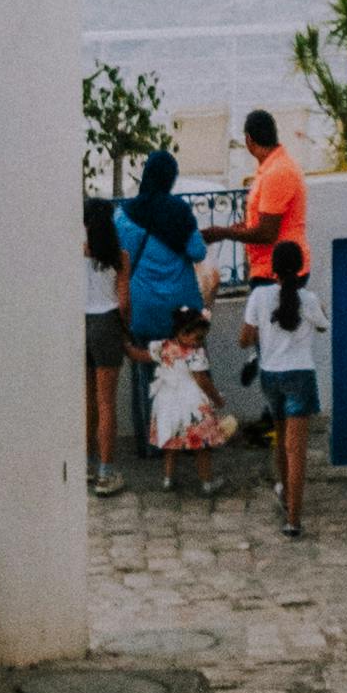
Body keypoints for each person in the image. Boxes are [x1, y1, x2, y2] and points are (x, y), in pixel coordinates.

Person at [113, 150, 212, 456]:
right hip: (181, 313)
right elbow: (197, 252)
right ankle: (195, 440)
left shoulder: (123, 215)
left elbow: (119, 259)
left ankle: (151, 446)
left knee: (146, 377)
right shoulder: (179, 211)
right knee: (192, 374)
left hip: (142, 308)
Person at [242, 238, 324, 538]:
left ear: (272, 267)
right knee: (297, 449)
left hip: (271, 375)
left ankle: (284, 493)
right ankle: (293, 519)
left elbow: (244, 338)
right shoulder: (309, 299)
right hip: (300, 375)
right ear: (301, 267)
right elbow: (324, 325)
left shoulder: (260, 297)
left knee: (281, 442)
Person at [145, 300, 236, 497]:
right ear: (181, 332)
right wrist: (217, 399)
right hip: (191, 402)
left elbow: (145, 356)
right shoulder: (196, 355)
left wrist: (128, 348)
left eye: (201, 338)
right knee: (201, 446)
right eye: (196, 337)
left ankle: (168, 479)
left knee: (171, 442)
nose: (198, 342)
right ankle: (206, 482)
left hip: (168, 401)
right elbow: (203, 380)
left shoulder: (164, 347)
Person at [82, 198, 128, 495]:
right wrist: (127, 332)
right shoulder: (119, 257)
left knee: (87, 400)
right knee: (107, 402)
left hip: (80, 323)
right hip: (107, 322)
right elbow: (124, 303)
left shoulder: (76, 253)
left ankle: (84, 463)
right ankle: (106, 471)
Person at [239, 109, 308, 282]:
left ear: (249, 139)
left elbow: (267, 233)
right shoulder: (272, 167)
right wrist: (242, 227)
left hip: (278, 271)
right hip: (272, 267)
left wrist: (222, 233)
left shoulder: (277, 172)